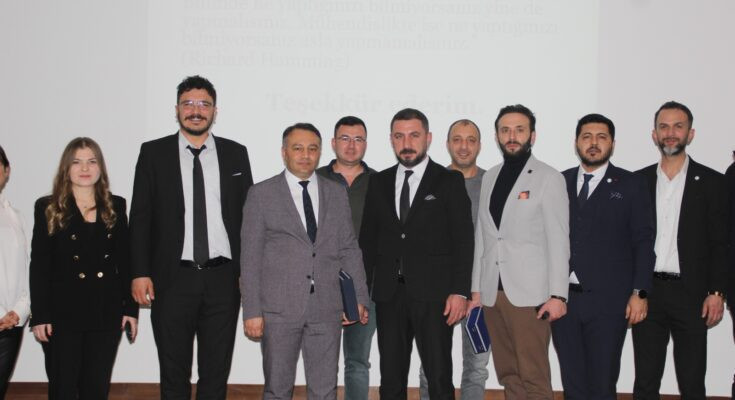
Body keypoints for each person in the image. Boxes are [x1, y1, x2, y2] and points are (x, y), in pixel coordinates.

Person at [129, 75, 253, 399]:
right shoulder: (153, 153)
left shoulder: (236, 154)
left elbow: (249, 220)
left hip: (223, 280)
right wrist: (140, 272)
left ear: (215, 111)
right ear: (176, 110)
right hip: (172, 279)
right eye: (188, 104)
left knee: (216, 372)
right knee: (173, 371)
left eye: (203, 104)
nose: (195, 111)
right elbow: (140, 218)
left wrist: (248, 273)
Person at [241, 123, 369, 400]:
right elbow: (250, 257)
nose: (305, 155)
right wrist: (251, 310)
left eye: (312, 149)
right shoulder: (261, 194)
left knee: (325, 390)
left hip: (327, 307)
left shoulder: (335, 193)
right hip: (278, 309)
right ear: (284, 152)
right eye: (297, 148)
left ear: (320, 152)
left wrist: (358, 298)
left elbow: (349, 247)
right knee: (277, 388)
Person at [360, 108, 474, 400]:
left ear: (428, 138)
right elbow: (368, 243)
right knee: (391, 378)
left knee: (439, 376)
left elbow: (464, 241)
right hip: (389, 295)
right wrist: (360, 293)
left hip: (435, 296)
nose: (406, 143)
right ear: (391, 139)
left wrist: (460, 291)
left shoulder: (448, 181)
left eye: (414, 135)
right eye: (399, 136)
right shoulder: (379, 182)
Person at [551, 113, 655, 399]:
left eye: (601, 137)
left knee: (602, 383)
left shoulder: (631, 184)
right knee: (572, 383)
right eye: (587, 137)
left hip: (609, 303)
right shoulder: (559, 181)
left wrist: (640, 292)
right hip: (564, 302)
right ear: (576, 143)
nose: (593, 143)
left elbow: (643, 241)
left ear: (612, 143)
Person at [469, 104, 569, 399]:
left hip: (530, 296)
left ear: (532, 136)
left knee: (533, 374)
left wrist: (559, 295)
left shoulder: (549, 177)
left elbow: (559, 240)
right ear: (497, 136)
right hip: (492, 293)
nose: (512, 136)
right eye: (505, 130)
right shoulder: (490, 177)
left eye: (519, 130)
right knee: (508, 374)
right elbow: (483, 237)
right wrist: (476, 289)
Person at [29, 137, 138, 399]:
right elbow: (40, 265)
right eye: (77, 162)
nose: (85, 168)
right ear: (66, 168)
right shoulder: (48, 207)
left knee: (96, 388)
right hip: (62, 313)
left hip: (105, 311)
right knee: (63, 388)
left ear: (101, 167)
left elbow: (125, 261)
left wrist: (130, 309)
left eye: (92, 161)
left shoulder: (116, 205)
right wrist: (40, 315)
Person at [633, 101, 728, 399]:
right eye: (664, 127)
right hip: (647, 293)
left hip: (692, 294)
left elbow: (722, 243)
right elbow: (629, 242)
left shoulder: (713, 183)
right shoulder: (638, 182)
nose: (670, 133)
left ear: (691, 133)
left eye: (678, 126)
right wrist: (634, 290)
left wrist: (717, 292)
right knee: (645, 381)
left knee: (692, 381)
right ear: (654, 134)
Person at [418, 119, 490, 400]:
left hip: (481, 292)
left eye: (471, 140)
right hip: (438, 290)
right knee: (431, 367)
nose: (464, 146)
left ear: (480, 145)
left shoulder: (492, 183)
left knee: (477, 367)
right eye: (457, 139)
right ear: (447, 144)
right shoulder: (430, 181)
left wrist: (479, 288)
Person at [315, 116, 376, 400]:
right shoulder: (314, 179)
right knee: (320, 360)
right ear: (333, 143)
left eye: (358, 139)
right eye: (345, 139)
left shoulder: (380, 182)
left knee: (357, 361)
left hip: (366, 286)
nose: (351, 146)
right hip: (321, 285)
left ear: (366, 144)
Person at [0, 145, 30, 399]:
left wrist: (20, 310)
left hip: (11, 324)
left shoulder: (15, 216)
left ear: (6, 171)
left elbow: (26, 269)